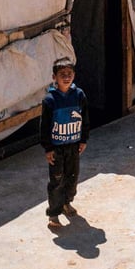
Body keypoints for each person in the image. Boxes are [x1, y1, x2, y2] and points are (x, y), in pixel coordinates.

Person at [40, 57, 89, 229]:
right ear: (54, 77)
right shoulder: (50, 100)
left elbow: (85, 119)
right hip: (57, 148)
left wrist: (83, 139)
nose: (66, 77)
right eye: (62, 74)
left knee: (72, 176)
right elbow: (44, 127)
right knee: (56, 181)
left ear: (74, 75)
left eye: (69, 74)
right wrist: (48, 148)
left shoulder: (79, 95)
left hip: (74, 146)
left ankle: (67, 202)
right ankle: (54, 213)